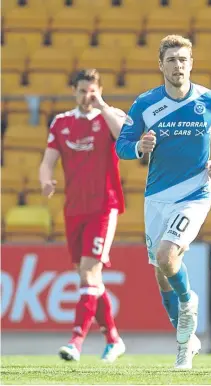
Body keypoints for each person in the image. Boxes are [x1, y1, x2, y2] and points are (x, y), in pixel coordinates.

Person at [115, 35, 211, 369]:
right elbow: (121, 145)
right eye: (171, 60)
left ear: (191, 63)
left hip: (195, 194)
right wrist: (140, 146)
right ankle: (186, 343)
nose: (178, 65)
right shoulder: (145, 104)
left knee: (168, 257)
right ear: (161, 65)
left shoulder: (210, 100)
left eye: (183, 59)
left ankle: (188, 301)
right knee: (162, 274)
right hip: (157, 197)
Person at [39, 69, 126, 363]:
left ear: (99, 90)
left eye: (92, 91)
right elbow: (47, 161)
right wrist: (45, 179)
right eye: (81, 91)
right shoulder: (61, 122)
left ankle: (76, 341)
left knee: (89, 272)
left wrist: (102, 106)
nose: (86, 96)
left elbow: (124, 138)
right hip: (74, 209)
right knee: (89, 276)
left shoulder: (109, 116)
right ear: (73, 92)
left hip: (104, 206)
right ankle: (113, 339)